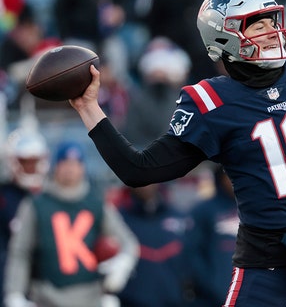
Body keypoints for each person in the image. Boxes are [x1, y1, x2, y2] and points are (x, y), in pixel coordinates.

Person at [68, 0, 286, 306]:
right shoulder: (211, 102)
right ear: (223, 37)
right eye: (255, 25)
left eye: (270, 21)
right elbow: (138, 169)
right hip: (268, 267)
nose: (270, 31)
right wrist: (89, 107)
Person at [3, 140, 139, 307]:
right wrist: (14, 293)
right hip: (47, 295)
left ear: (82, 167)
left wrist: (122, 264)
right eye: (65, 163)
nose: (70, 169)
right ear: (56, 166)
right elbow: (20, 252)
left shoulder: (96, 203)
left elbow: (128, 242)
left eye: (75, 163)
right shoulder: (36, 204)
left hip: (90, 296)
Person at [109, 182, 192, 307]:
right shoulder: (117, 219)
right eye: (140, 178)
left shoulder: (179, 218)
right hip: (130, 300)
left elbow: (191, 261)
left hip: (174, 299)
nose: (146, 184)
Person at [0, 127, 49, 307]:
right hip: (10, 279)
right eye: (25, 162)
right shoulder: (4, 198)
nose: (31, 168)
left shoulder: (51, 196)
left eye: (34, 162)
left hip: (45, 282)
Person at [185, 166, 239, 306]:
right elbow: (192, 253)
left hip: (249, 293)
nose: (234, 180)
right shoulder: (203, 211)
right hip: (212, 297)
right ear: (220, 178)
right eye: (229, 176)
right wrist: (211, 285)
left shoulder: (253, 208)